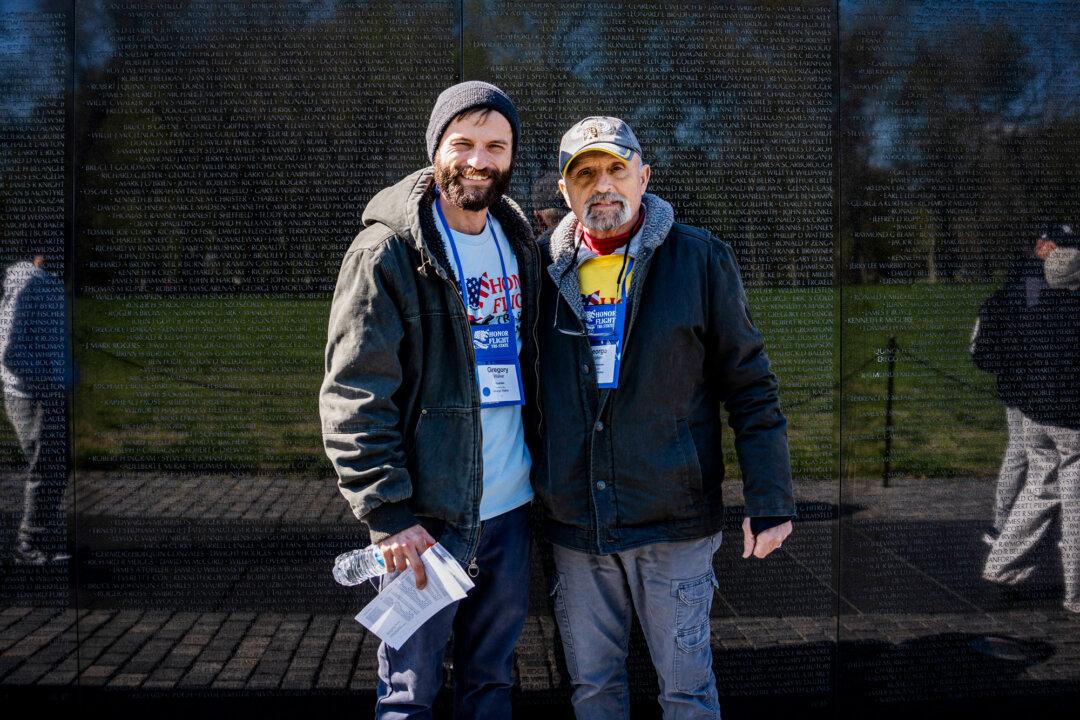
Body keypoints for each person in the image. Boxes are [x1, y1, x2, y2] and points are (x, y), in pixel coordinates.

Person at [532, 117, 795, 719]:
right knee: (594, 693)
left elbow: (750, 386)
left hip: (673, 522)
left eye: (616, 169)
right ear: (565, 192)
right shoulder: (539, 271)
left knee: (686, 693)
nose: (603, 185)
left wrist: (770, 496)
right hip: (577, 525)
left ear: (643, 176)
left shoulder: (699, 259)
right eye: (586, 174)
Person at [318, 81, 540, 718]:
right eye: (462, 142)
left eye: (495, 146)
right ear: (435, 147)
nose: (478, 160)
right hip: (425, 522)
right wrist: (388, 514)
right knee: (409, 692)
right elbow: (355, 391)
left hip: (510, 513)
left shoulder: (516, 241)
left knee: (491, 683)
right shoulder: (387, 251)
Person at [982, 223, 1080, 614]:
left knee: (1038, 488)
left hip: (1033, 410)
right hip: (1070, 417)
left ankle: (1001, 565)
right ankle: (1076, 593)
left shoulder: (1028, 305)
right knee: (1075, 505)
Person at [1, 252, 73, 565]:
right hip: (31, 393)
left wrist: (66, 375)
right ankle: (28, 545)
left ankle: (37, 538)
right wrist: (47, 379)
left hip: (48, 390)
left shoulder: (50, 284)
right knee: (45, 466)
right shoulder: (26, 281)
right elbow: (8, 350)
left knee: (57, 464)